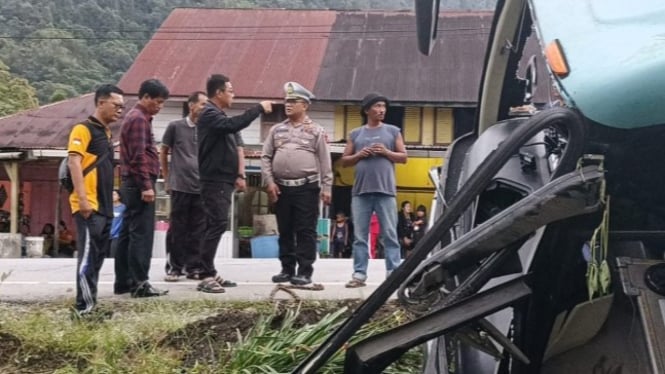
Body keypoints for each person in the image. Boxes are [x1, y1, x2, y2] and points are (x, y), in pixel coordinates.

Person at [197, 74, 272, 293]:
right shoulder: (210, 114)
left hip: (223, 179)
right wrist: (258, 108)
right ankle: (204, 274)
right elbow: (233, 124)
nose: (233, 94)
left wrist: (238, 175)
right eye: (230, 90)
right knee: (216, 224)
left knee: (217, 224)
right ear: (218, 93)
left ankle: (209, 270)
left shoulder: (217, 115)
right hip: (213, 179)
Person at [261, 81, 333, 286]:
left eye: (294, 101)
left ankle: (305, 271)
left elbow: (325, 161)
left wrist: (327, 187)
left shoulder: (316, 131)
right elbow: (266, 157)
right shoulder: (276, 130)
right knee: (284, 229)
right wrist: (269, 182)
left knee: (305, 230)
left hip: (306, 187)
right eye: (286, 101)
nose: (288, 105)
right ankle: (286, 269)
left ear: (305, 105)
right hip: (281, 187)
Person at [67, 83, 123, 316]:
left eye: (122, 107)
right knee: (88, 257)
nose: (120, 110)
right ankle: (84, 309)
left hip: (105, 206)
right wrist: (82, 200)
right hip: (89, 205)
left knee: (98, 257)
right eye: (116, 105)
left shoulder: (107, 133)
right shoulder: (83, 129)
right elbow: (73, 162)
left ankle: (91, 304)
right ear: (101, 103)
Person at [341, 93, 407, 288]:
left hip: (385, 191)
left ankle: (393, 273)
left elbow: (403, 157)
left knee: (389, 234)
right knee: (360, 236)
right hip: (360, 192)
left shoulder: (393, 131)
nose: (381, 110)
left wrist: (386, 152)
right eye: (377, 106)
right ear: (367, 110)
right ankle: (359, 274)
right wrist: (359, 155)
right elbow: (344, 161)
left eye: (383, 106)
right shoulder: (356, 133)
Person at [115, 79, 169, 298]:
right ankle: (140, 283)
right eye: (157, 102)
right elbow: (138, 157)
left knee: (128, 233)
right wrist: (147, 186)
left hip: (131, 183)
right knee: (141, 234)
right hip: (138, 185)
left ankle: (124, 282)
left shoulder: (138, 118)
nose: (160, 106)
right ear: (145, 97)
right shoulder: (138, 120)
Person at [160, 91, 208, 282]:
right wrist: (166, 178)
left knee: (198, 229)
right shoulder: (175, 127)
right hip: (180, 185)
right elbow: (163, 152)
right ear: (192, 105)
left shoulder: (208, 128)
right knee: (178, 228)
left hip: (202, 187)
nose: (205, 108)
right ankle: (174, 267)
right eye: (203, 104)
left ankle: (194, 267)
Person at [108, 189, 125, 258]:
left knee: (113, 255)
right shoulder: (108, 207)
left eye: (114, 194)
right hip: (107, 235)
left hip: (117, 235)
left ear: (119, 197)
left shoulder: (123, 208)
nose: (112, 196)